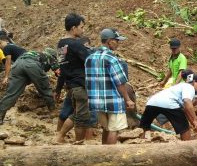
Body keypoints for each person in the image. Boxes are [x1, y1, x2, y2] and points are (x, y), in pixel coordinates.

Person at [85, 28, 135, 144]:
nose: (118, 43)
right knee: (114, 129)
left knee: (106, 128)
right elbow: (120, 82)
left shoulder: (89, 58)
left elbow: (88, 81)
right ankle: (111, 157)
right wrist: (127, 99)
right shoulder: (111, 58)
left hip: (96, 101)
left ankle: (104, 154)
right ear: (109, 41)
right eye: (116, 41)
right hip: (113, 101)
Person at [55, 14, 92, 142]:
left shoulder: (61, 44)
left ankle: (59, 136)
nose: (83, 30)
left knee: (76, 114)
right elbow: (90, 61)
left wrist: (58, 88)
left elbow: (62, 67)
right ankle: (78, 144)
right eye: (81, 27)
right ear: (73, 28)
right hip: (80, 85)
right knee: (81, 118)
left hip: (70, 85)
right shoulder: (76, 44)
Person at [0, 48, 59, 124]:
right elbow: (58, 71)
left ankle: (0, 116)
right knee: (45, 89)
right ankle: (53, 110)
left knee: (11, 93)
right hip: (32, 65)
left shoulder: (35, 53)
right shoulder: (50, 56)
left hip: (17, 64)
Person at [140, 74, 197, 140]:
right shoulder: (190, 87)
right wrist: (195, 120)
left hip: (152, 103)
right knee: (184, 128)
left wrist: (194, 123)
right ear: (194, 82)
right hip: (169, 103)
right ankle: (187, 144)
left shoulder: (179, 86)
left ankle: (141, 142)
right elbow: (187, 101)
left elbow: (186, 109)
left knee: (145, 124)